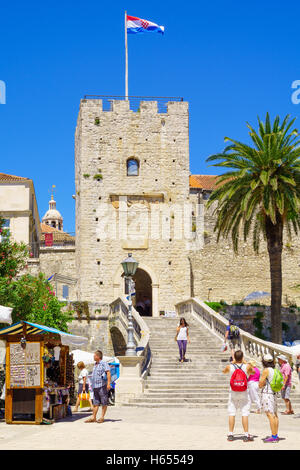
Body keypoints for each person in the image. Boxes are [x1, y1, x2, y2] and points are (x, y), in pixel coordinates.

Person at [223, 349, 254, 442]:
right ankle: (245, 434)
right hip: (244, 392)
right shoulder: (247, 366)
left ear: (234, 357)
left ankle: (231, 434)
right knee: (245, 413)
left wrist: (233, 362)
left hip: (233, 392)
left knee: (232, 413)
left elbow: (224, 371)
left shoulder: (230, 366)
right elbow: (253, 372)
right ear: (242, 357)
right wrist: (245, 362)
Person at [259, 353, 280, 443]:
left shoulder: (266, 370)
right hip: (274, 393)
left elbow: (261, 384)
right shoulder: (275, 370)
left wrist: (260, 384)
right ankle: (275, 435)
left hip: (267, 394)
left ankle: (274, 437)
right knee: (275, 415)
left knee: (269, 414)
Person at [85, 350, 111, 423]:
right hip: (95, 386)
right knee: (95, 403)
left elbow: (108, 373)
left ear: (98, 356)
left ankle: (102, 417)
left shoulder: (104, 363)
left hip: (102, 386)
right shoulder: (95, 364)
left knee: (104, 402)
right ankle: (94, 417)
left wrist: (108, 383)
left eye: (94, 355)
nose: (93, 357)